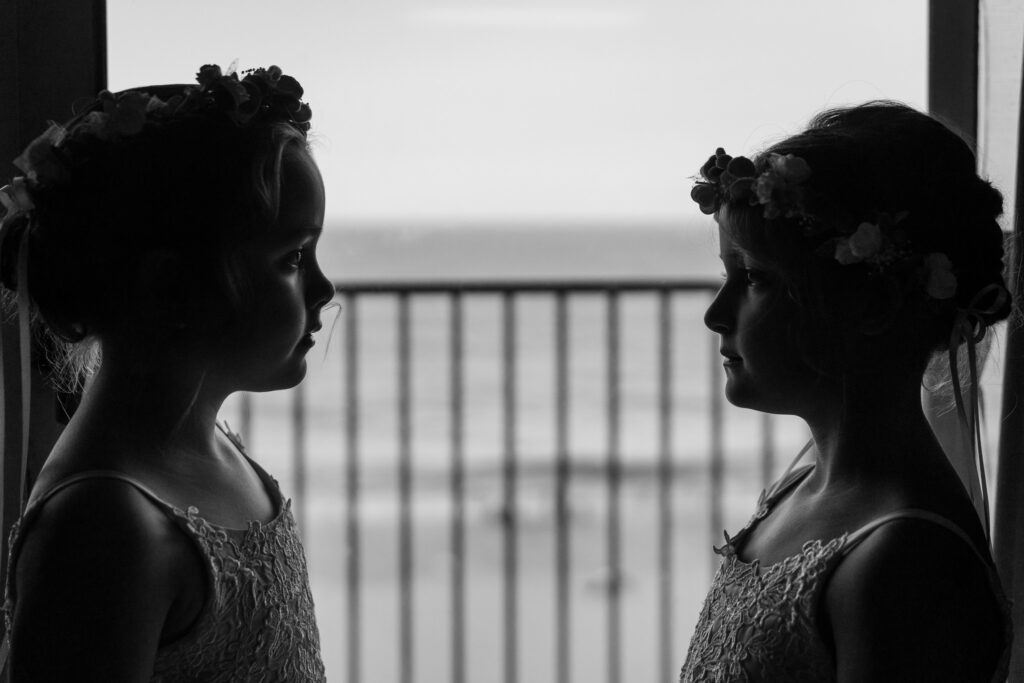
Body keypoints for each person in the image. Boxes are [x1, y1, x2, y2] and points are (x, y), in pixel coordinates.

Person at [0, 64, 333, 681]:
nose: (324, 287)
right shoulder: (104, 528)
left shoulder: (211, 450)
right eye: (292, 257)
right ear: (172, 286)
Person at [681, 102, 1012, 682]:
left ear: (872, 305)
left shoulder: (908, 564)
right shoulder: (801, 486)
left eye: (754, 278)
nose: (716, 314)